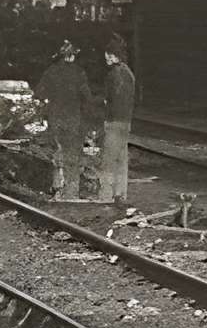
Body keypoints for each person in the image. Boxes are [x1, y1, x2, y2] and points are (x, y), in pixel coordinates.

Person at [36, 39, 104, 202]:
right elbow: (87, 97)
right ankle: (72, 192)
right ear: (73, 56)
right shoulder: (79, 73)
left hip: (55, 118)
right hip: (73, 119)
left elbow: (39, 92)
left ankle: (58, 189)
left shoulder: (51, 71)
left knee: (57, 151)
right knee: (73, 154)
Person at [96, 34, 141, 206]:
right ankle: (120, 193)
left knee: (108, 159)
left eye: (109, 53)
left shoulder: (113, 74)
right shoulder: (129, 73)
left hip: (114, 121)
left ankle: (105, 195)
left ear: (115, 55)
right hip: (125, 121)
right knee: (121, 159)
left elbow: (110, 99)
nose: (106, 57)